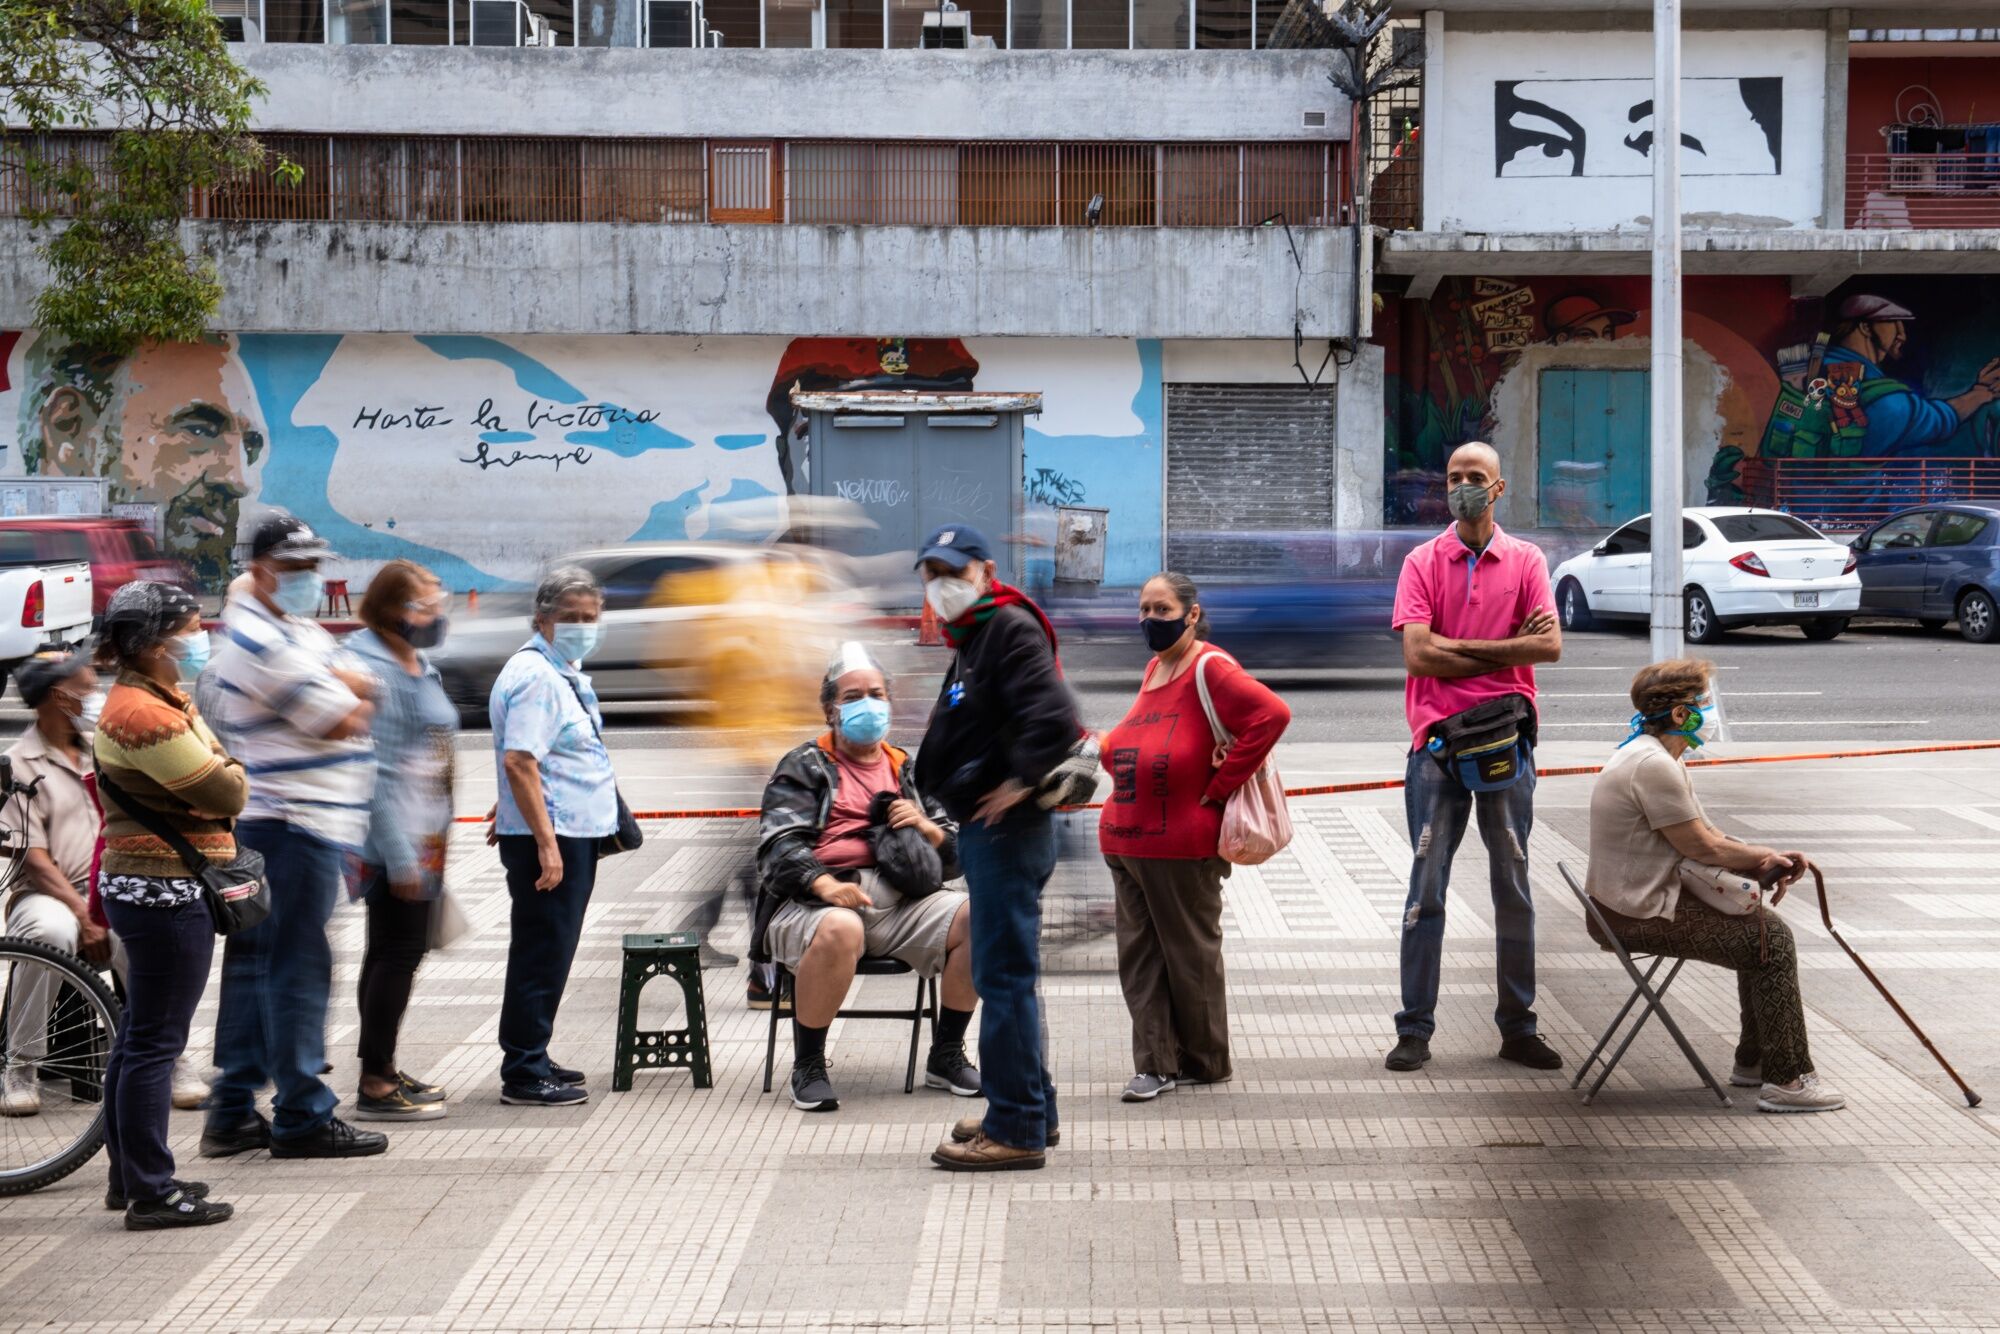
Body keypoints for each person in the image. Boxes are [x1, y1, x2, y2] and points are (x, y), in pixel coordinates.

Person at [199, 514, 385, 1161]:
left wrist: (351, 688)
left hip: (298, 821)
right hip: (292, 824)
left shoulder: (287, 626)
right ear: (261, 569)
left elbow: (353, 683)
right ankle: (302, 1112)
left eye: (313, 566)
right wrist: (354, 695)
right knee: (297, 967)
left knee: (257, 965)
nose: (309, 578)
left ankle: (231, 1110)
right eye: (296, 568)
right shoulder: (259, 641)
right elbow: (342, 716)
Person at [1585, 658, 1844, 1113]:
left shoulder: (1653, 756)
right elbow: (1703, 846)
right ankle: (1788, 1081)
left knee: (1759, 928)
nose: (1711, 708)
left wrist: (1767, 857)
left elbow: (1710, 838)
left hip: (1633, 900)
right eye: (1704, 700)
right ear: (1682, 714)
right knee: (1772, 939)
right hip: (1630, 912)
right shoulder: (1653, 765)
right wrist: (1765, 857)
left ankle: (1756, 1061)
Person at [1387, 441, 1563, 1075]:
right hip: (1435, 745)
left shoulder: (1526, 560)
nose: (1463, 485)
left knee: (1512, 886)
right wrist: (1502, 651)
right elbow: (1417, 656)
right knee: (1425, 888)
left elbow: (1549, 649)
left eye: (1475, 477)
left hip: (1507, 744)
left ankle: (1519, 1027)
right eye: (1455, 477)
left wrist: (1454, 645)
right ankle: (1415, 1029)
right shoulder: (1422, 561)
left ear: (1498, 487)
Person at [914, 524, 1080, 1172]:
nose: (941, 585)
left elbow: (1053, 719)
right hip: (992, 833)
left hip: (1008, 833)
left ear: (984, 571)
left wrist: (1018, 783)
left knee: (1003, 980)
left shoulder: (1006, 627)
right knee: (1009, 978)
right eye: (930, 574)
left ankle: (1015, 1128)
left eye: (953, 571)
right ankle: (1030, 1106)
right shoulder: (979, 635)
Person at [755, 642, 978, 1112]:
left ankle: (946, 1054)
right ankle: (809, 1064)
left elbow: (958, 856)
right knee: (842, 926)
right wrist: (825, 884)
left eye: (876, 694)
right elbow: (778, 848)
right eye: (852, 696)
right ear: (830, 708)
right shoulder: (804, 764)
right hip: (816, 906)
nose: (867, 705)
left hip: (903, 901)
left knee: (981, 916)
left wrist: (926, 828)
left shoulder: (906, 767)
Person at [1098, 573, 1290, 1103]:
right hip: (1126, 841)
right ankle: (1155, 1065)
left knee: (1188, 956)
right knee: (1140, 961)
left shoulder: (1211, 667)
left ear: (1191, 613)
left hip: (1181, 845)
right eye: (1143, 609)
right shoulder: (1154, 667)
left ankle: (1205, 1062)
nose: (1150, 620)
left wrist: (1218, 787)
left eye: (1162, 609)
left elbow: (1272, 715)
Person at [92, 582, 245, 1227]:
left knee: (138, 1038)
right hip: (164, 893)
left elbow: (214, 777)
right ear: (156, 644)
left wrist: (215, 767)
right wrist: (223, 771)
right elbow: (227, 789)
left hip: (149, 890)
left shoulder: (158, 698)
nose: (200, 634)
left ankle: (130, 1178)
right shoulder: (145, 715)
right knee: (155, 1042)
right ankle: (152, 1192)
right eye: (190, 626)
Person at [488, 566, 618, 1107]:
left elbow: (526, 757)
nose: (583, 627)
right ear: (542, 619)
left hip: (562, 829)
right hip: (555, 837)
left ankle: (532, 1052)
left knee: (551, 947)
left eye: (591, 618)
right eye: (570, 618)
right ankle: (522, 1068)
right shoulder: (539, 677)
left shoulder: (555, 667)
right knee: (543, 950)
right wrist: (544, 843)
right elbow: (519, 759)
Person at [344, 561, 458, 1121]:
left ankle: (381, 1066)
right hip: (397, 840)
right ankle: (375, 1082)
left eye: (439, 602)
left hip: (424, 833)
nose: (436, 614)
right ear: (393, 610)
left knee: (391, 951)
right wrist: (400, 856)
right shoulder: (374, 670)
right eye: (425, 605)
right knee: (398, 953)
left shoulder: (415, 662)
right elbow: (374, 774)